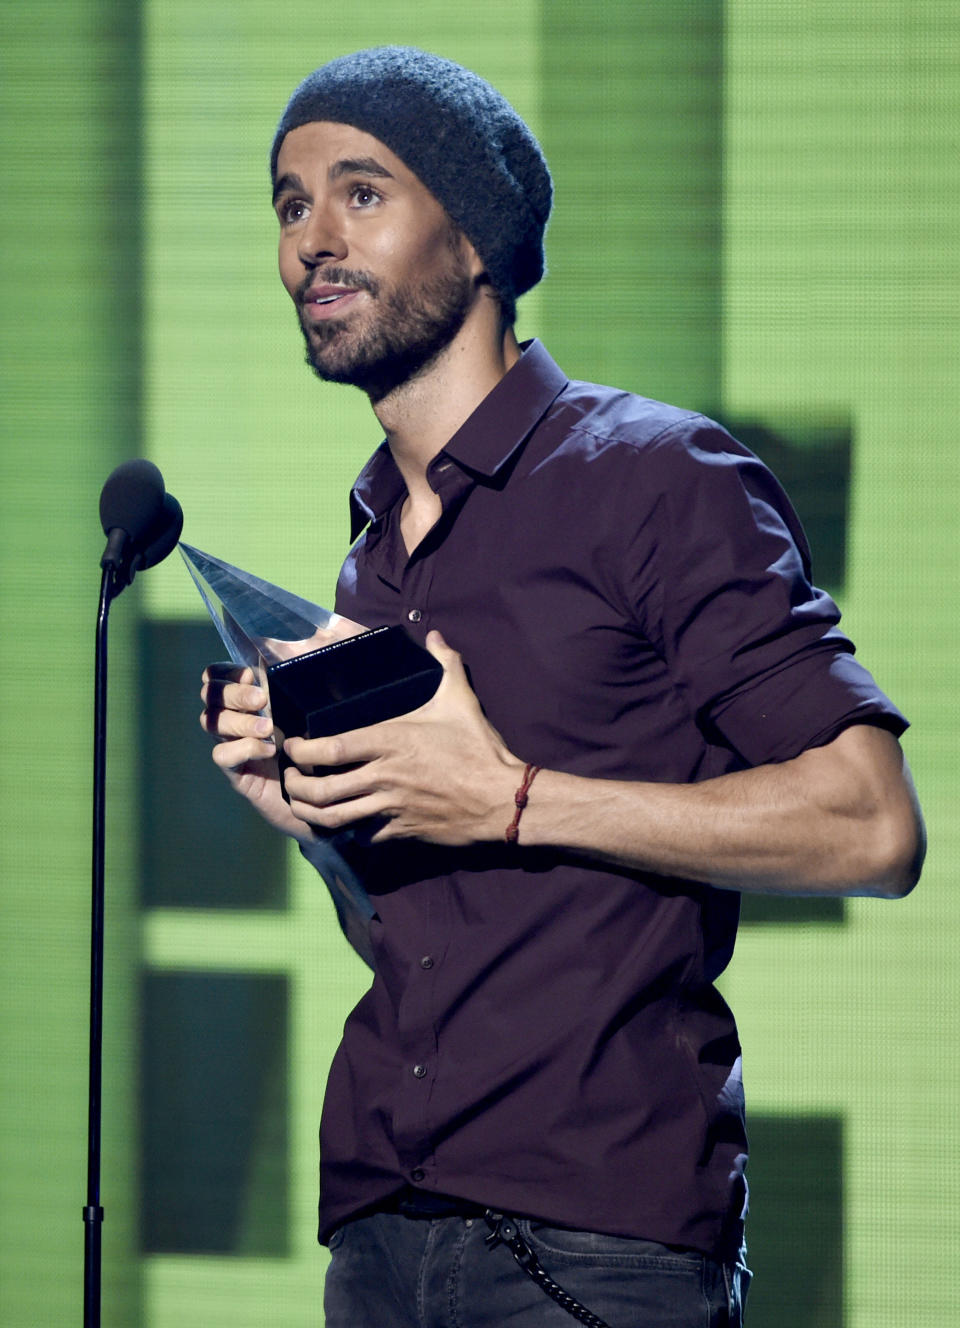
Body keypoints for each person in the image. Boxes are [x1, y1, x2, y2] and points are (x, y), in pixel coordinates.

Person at [200, 47, 925, 1328]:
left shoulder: (653, 476)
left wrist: (515, 796)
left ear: (475, 236)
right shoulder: (372, 555)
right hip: (380, 1227)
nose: (313, 238)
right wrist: (317, 820)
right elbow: (440, 933)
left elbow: (870, 823)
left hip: (596, 1240)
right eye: (289, 202)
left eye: (362, 193)